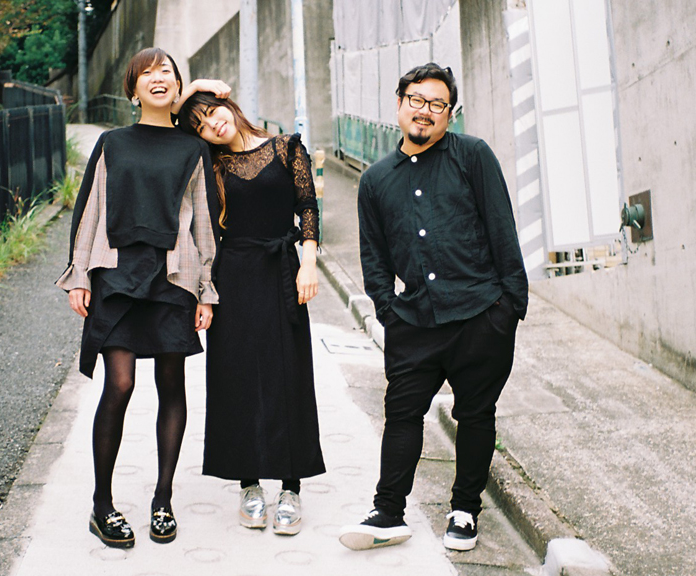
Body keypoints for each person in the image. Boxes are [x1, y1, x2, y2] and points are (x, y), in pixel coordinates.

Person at [339, 62, 528, 552]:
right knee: (402, 414)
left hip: (481, 315)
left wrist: (509, 309)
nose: (425, 111)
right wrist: (389, 311)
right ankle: (388, 512)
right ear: (399, 104)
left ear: (450, 113)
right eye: (417, 100)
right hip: (415, 321)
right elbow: (374, 257)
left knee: (476, 414)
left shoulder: (473, 156)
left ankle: (464, 510)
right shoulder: (376, 180)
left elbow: (502, 229)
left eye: (437, 104)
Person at [56, 47, 219, 548]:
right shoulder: (112, 143)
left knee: (172, 383)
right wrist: (79, 275)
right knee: (120, 384)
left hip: (173, 278)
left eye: (165, 71)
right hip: (117, 276)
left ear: (178, 86)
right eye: (146, 73)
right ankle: (102, 504)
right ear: (132, 90)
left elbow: (204, 222)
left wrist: (206, 289)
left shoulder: (193, 149)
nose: (157, 78)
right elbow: (89, 211)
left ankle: (163, 500)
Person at [175, 87, 326, 536]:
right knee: (237, 376)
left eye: (213, 112)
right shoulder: (209, 164)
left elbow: (307, 207)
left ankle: (291, 487)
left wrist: (308, 262)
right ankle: (249, 484)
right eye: (201, 125)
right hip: (233, 276)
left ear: (230, 104)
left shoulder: (286, 147)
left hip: (282, 270)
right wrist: (196, 91)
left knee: (289, 373)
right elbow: (170, 123)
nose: (212, 124)